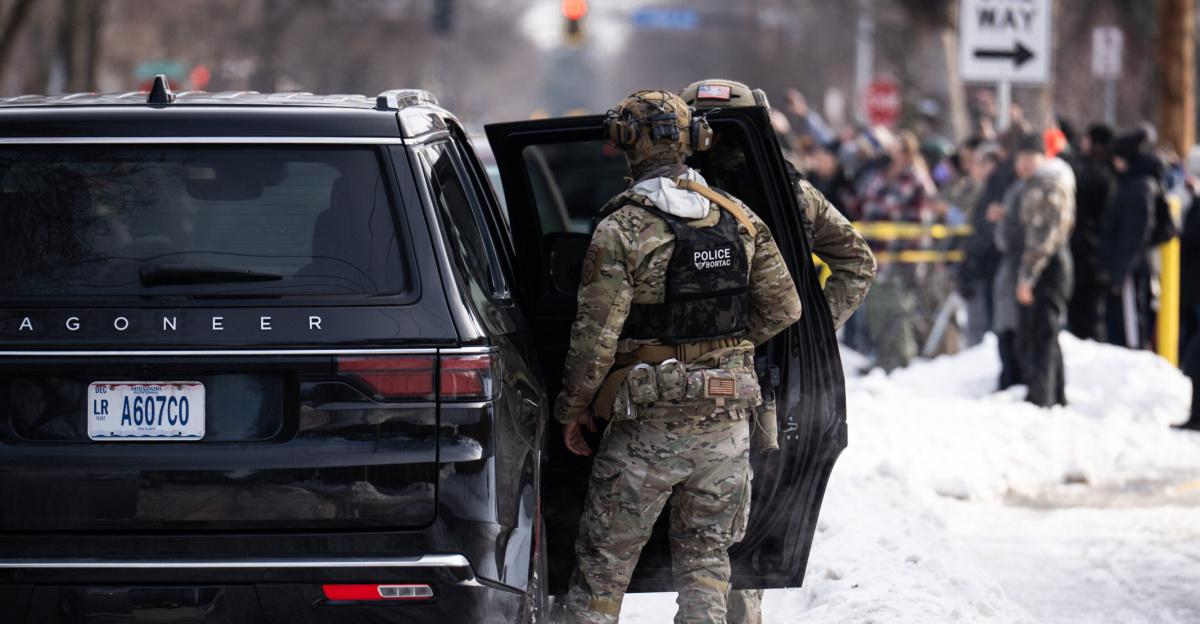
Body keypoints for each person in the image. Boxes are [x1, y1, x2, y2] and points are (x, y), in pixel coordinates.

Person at [556, 89, 803, 624]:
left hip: (646, 428)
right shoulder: (740, 220)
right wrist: (724, 348)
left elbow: (595, 337)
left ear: (625, 143)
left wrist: (574, 409)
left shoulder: (621, 229)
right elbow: (786, 307)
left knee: (602, 575)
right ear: (694, 141)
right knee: (707, 570)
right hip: (728, 427)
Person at [681, 77, 877, 624]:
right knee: (733, 533)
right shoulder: (790, 195)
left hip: (674, 382)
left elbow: (857, 262)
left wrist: (805, 330)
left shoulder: (669, 195)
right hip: (749, 382)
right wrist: (800, 331)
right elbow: (858, 262)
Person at [997, 133, 1076, 407]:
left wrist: (1026, 279)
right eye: (1021, 157)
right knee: (1046, 334)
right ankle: (1055, 396)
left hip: (1047, 267)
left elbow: (1041, 238)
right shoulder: (1038, 182)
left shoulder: (1046, 184)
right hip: (1047, 265)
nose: (1025, 163)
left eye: (1032, 157)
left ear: (1044, 158)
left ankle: (1042, 398)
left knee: (1040, 336)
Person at [858, 130, 934, 371]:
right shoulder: (882, 176)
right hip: (875, 257)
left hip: (899, 259)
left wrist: (912, 263)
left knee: (897, 314)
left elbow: (921, 225)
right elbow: (866, 204)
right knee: (876, 312)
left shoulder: (916, 180)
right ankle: (882, 360)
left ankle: (900, 363)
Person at [1101, 129, 1160, 349]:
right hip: (1128, 267)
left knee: (1131, 331)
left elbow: (1134, 235)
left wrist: (1119, 273)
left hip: (1129, 270)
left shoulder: (1138, 187)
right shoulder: (1133, 184)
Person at [1066, 123, 1116, 342]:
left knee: (1085, 316)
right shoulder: (1110, 173)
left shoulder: (1098, 175)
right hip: (1092, 252)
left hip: (1088, 254)